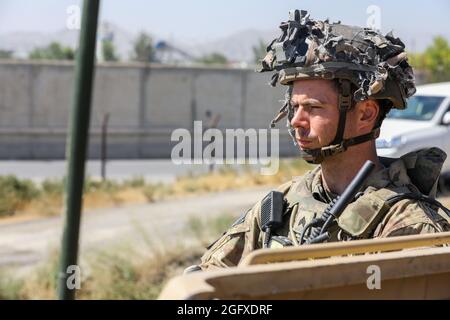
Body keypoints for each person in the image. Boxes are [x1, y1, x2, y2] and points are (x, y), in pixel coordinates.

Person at [185, 10, 450, 272]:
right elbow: (208, 278)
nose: (295, 121)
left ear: (366, 114)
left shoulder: (409, 227)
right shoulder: (282, 204)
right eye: (293, 107)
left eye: (313, 108)